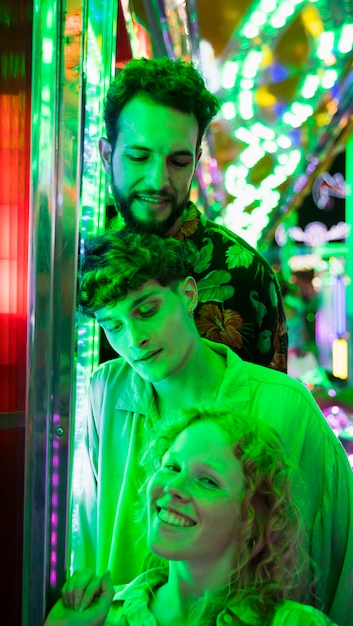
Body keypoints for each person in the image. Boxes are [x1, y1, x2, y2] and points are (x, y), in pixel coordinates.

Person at [73, 229, 353, 625]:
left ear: (187, 294)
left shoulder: (282, 404)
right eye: (113, 326)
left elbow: (338, 548)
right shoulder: (107, 388)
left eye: (147, 310)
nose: (134, 340)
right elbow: (89, 525)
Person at [47, 409, 337, 625]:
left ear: (252, 519)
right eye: (172, 467)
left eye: (207, 480)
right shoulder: (102, 616)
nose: (173, 487)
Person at [98, 56, 287, 372]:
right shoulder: (77, 267)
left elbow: (271, 413)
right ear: (107, 156)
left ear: (196, 161)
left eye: (178, 162)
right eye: (139, 157)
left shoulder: (248, 276)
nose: (158, 181)